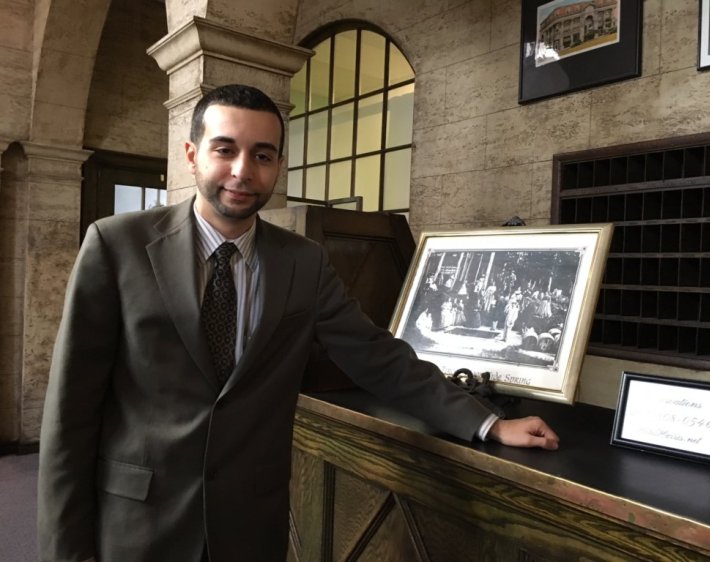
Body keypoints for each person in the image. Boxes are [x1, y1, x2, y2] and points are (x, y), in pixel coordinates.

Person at [37, 84, 559, 562]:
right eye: (225, 149)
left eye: (262, 156)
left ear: (278, 165)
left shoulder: (303, 263)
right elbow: (71, 415)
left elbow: (376, 356)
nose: (243, 170)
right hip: (136, 524)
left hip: (250, 526)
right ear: (192, 154)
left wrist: (487, 422)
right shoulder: (116, 245)